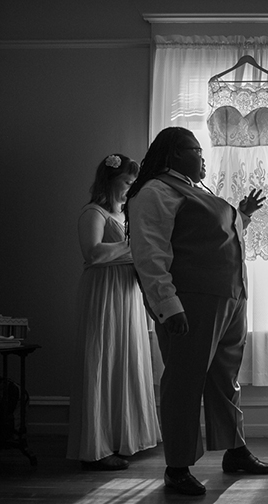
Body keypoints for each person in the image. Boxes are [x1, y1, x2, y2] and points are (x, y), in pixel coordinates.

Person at [127, 127, 268, 496]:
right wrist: (167, 305)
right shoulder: (156, 192)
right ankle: (177, 466)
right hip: (191, 302)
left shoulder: (195, 191)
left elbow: (214, 236)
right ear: (175, 153)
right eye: (195, 149)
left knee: (225, 378)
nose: (202, 155)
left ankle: (234, 450)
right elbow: (149, 253)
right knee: (185, 381)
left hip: (229, 297)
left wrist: (243, 215)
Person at [67, 153, 161, 470]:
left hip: (126, 294)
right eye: (126, 182)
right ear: (111, 182)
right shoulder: (93, 213)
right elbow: (93, 253)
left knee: (125, 361)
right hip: (103, 294)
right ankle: (97, 447)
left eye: (134, 182)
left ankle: (125, 437)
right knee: (102, 362)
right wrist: (138, 248)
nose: (130, 188)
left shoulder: (125, 216)